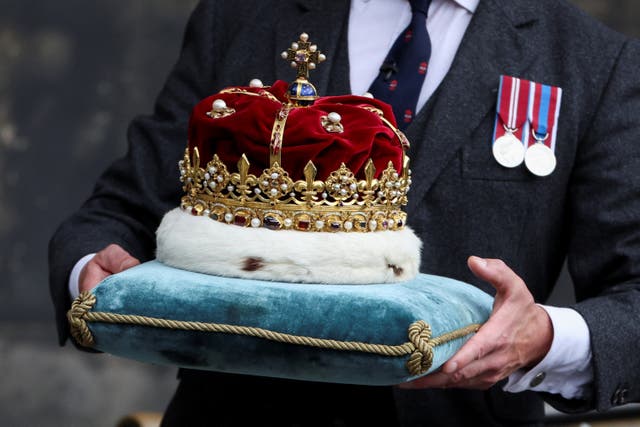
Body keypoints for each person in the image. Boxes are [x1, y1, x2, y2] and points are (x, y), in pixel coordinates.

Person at [49, 0, 640, 425]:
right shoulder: (241, 15)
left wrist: (544, 339)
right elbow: (119, 211)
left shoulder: (590, 60)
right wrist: (88, 277)